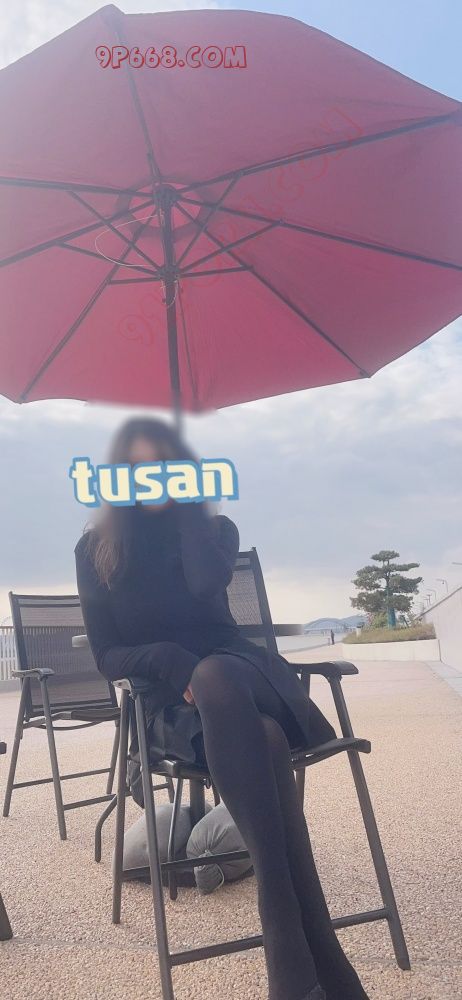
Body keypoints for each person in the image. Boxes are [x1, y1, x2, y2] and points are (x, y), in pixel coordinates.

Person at [74, 416, 370, 1000]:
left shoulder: (214, 530)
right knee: (262, 739)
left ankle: (284, 941)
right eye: (137, 468)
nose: (151, 477)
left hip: (243, 672)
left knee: (216, 677)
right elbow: (107, 655)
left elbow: (207, 588)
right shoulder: (95, 551)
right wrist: (170, 661)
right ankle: (322, 962)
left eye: (164, 466)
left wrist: (191, 512)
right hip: (173, 709)